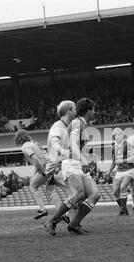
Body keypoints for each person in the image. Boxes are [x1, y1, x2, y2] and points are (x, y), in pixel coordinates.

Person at [45, 98, 101, 235]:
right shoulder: (77, 123)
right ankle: (52, 221)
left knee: (95, 194)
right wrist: (84, 162)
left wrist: (86, 159)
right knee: (79, 194)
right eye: (93, 109)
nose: (94, 112)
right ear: (88, 111)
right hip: (71, 162)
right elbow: (74, 145)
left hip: (77, 162)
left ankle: (74, 223)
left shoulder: (81, 124)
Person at [14, 129, 70, 222]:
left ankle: (43, 209)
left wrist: (44, 171)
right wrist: (34, 175)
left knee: (32, 186)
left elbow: (35, 160)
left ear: (18, 139)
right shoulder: (34, 143)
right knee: (50, 191)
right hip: (51, 165)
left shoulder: (25, 146)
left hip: (46, 167)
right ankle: (63, 214)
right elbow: (39, 159)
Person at [106, 127, 134, 215]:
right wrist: (109, 171)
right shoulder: (113, 147)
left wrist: (123, 161)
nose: (120, 136)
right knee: (115, 192)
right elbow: (114, 161)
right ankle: (124, 210)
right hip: (119, 171)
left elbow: (133, 158)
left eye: (121, 134)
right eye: (118, 135)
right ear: (114, 137)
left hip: (129, 169)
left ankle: (123, 210)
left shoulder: (127, 144)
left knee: (122, 187)